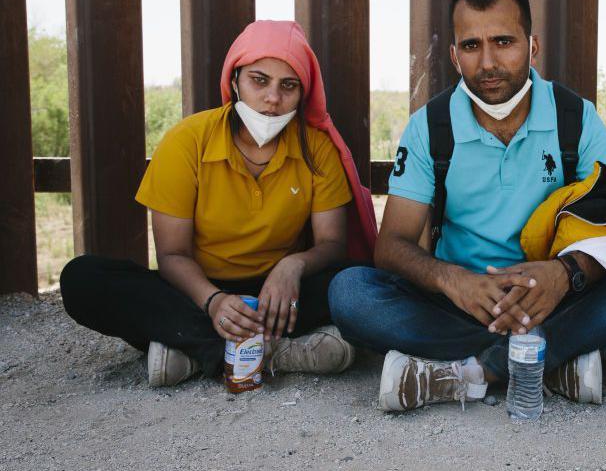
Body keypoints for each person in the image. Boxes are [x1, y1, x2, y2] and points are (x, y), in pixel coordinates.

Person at [329, 0, 606, 411]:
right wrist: (453, 281)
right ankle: (549, 359)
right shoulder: (430, 126)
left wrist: (564, 276)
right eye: (471, 45)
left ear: (532, 45)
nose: (487, 62)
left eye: (503, 41)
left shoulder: (576, 119)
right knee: (349, 294)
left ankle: (471, 372)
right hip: (460, 299)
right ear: (454, 53)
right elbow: (392, 246)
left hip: (554, 297)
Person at [60, 20, 377, 387]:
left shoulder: (317, 149)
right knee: (82, 279)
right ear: (234, 81)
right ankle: (268, 353)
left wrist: (292, 266)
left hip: (276, 296)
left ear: (302, 93)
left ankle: (191, 352)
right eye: (259, 80)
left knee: (356, 282)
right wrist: (213, 302)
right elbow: (173, 255)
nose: (273, 98)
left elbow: (332, 244)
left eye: (288, 85)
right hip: (197, 291)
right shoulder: (187, 142)